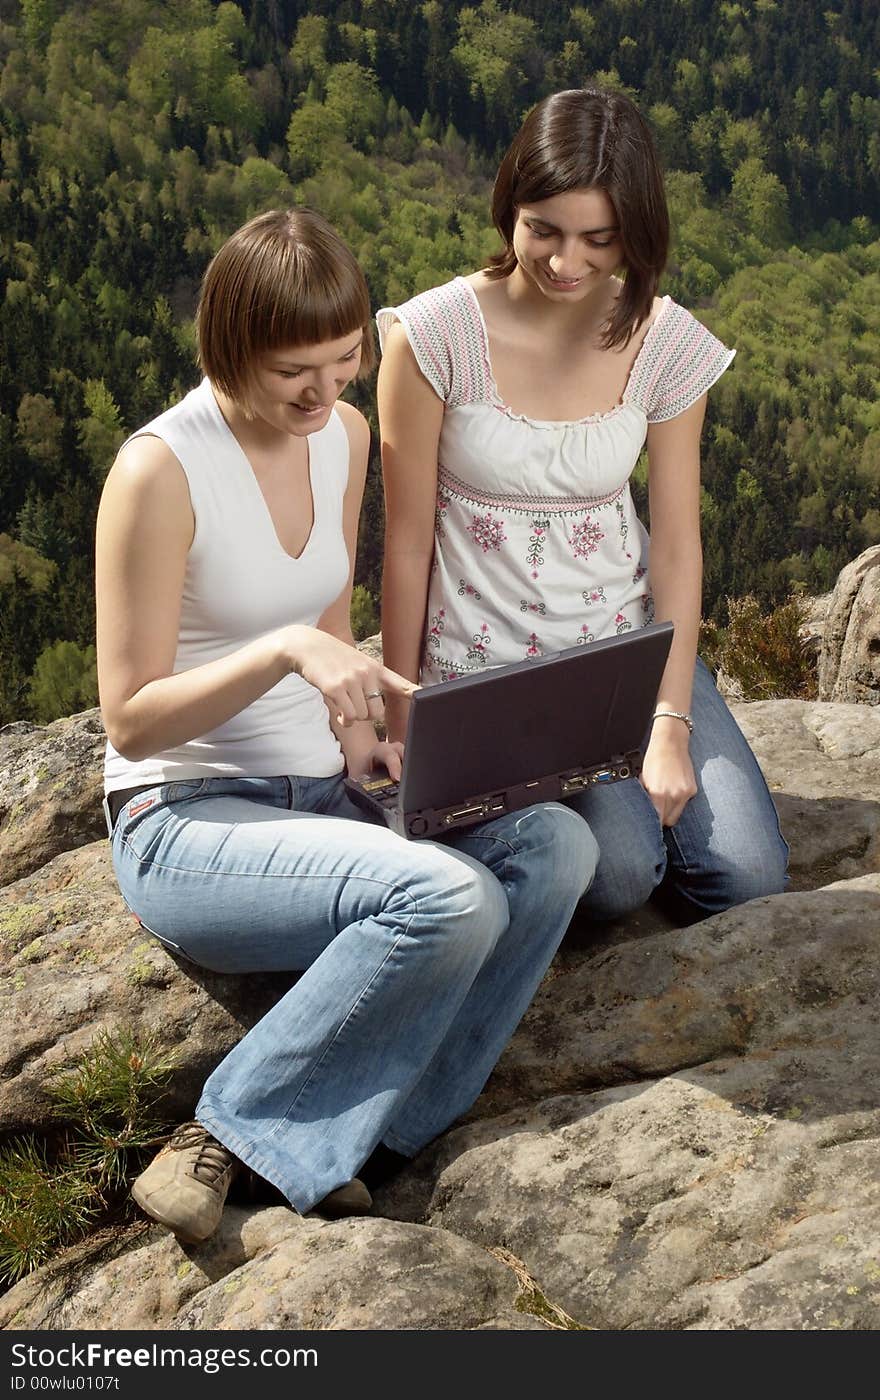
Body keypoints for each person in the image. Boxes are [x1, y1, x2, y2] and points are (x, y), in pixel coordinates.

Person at [95, 207, 595, 1246]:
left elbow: (331, 614)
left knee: (555, 842)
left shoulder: (345, 436)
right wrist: (283, 652)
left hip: (322, 784)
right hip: (184, 812)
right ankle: (224, 1136)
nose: (326, 393)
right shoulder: (161, 470)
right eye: (295, 373)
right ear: (227, 351)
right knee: (446, 896)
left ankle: (380, 1133)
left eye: (346, 359)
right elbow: (132, 719)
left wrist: (364, 734)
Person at [376, 87, 788, 927]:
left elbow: (675, 545)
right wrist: (403, 714)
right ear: (509, 210)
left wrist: (669, 719)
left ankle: (644, 777)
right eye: (544, 230)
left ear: (636, 232)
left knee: (747, 881)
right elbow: (407, 542)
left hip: (628, 653)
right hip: (492, 671)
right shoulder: (432, 336)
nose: (567, 262)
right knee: (618, 877)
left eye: (600, 240)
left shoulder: (665, 342)